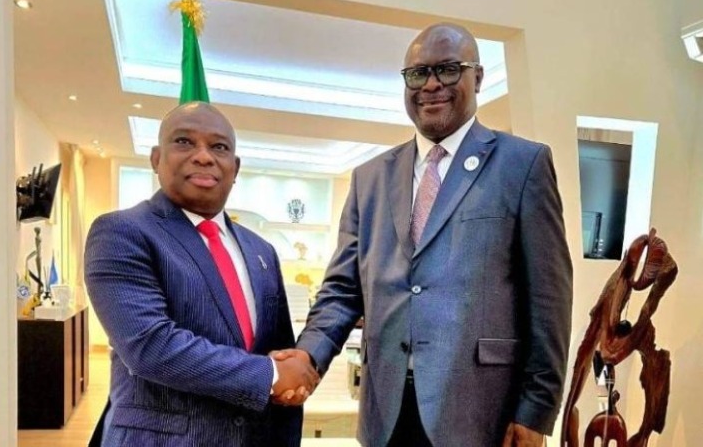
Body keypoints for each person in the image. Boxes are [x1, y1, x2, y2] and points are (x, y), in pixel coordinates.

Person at [277, 23, 574, 446]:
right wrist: (308, 356)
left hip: (482, 412)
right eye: (417, 74)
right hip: (386, 412)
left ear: (478, 78)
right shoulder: (370, 178)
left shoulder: (522, 165)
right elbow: (342, 291)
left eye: (448, 69)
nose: (431, 85)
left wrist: (536, 409)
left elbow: (548, 297)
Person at [85, 101, 317, 447]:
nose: (204, 156)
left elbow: (279, 347)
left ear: (235, 168)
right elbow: (149, 345)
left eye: (219, 147)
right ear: (156, 159)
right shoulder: (121, 232)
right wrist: (270, 375)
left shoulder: (261, 250)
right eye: (184, 142)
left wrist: (292, 380)